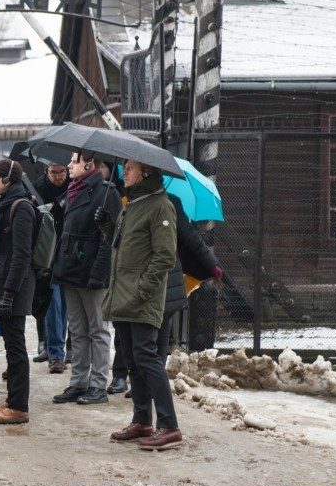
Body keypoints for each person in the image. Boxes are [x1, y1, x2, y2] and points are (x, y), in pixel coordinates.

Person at [97, 160, 181, 449]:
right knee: (132, 359)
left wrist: (143, 290)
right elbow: (121, 249)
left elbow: (165, 256)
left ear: (146, 172)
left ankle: (169, 425)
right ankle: (143, 420)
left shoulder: (160, 206)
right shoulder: (131, 204)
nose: (124, 173)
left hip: (141, 298)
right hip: (123, 295)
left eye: (129, 168)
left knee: (147, 358)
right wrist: (107, 227)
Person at [108, 194, 223, 395]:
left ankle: (153, 383)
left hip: (166, 277)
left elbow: (189, 236)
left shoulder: (169, 203)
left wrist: (211, 263)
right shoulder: (129, 202)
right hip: (136, 276)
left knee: (160, 332)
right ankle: (121, 375)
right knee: (126, 330)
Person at [51, 152, 122, 406]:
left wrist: (98, 273)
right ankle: (79, 382)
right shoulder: (72, 191)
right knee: (77, 330)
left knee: (98, 330)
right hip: (71, 271)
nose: (69, 165)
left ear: (89, 165)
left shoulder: (106, 193)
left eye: (74, 161)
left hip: (91, 274)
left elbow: (110, 239)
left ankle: (98, 384)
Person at [0, 160, 36, 425]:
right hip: (2, 285)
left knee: (16, 348)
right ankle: (13, 399)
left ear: (9, 180)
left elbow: (21, 255)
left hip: (13, 288)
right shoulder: (2, 205)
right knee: (11, 346)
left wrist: (8, 292)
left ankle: (19, 407)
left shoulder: (21, 207)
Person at [32, 163, 69, 364]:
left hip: (67, 248)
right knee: (52, 303)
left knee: (63, 304)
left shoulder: (73, 186)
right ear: (47, 171)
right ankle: (54, 351)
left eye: (61, 171)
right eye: (54, 172)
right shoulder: (38, 187)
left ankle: (58, 349)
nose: (58, 176)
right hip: (48, 250)